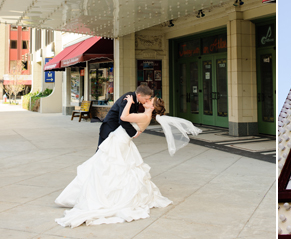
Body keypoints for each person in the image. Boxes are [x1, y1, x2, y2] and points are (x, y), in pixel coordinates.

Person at [55, 95, 202, 228]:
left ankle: (101, 197)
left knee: (107, 169)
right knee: (106, 168)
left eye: (150, 101)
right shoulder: (145, 116)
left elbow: (124, 118)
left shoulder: (144, 116)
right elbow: (135, 133)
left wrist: (130, 102)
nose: (147, 101)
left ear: (152, 107)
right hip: (121, 141)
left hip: (119, 143)